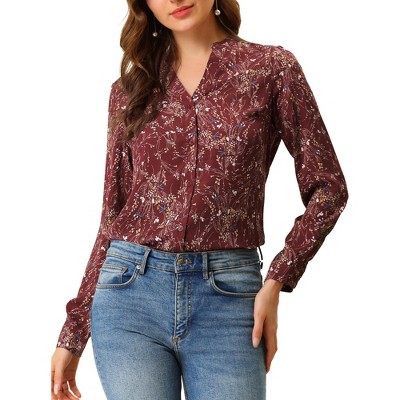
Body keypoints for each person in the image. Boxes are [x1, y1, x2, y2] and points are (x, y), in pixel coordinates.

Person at [51, 0, 348, 399]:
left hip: (228, 297)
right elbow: (112, 218)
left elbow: (329, 187)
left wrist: (278, 279)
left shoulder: (271, 69)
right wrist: (73, 334)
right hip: (128, 295)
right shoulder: (128, 91)